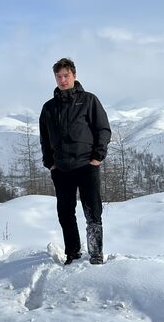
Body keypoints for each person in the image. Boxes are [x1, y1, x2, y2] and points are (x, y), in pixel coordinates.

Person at [39, 58, 111, 265]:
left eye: (66, 75)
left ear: (74, 75)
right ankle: (73, 253)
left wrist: (97, 157)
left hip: (87, 165)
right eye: (58, 76)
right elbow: (44, 138)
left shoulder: (89, 100)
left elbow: (103, 129)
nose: (62, 80)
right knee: (65, 213)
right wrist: (50, 163)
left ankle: (96, 254)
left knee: (93, 211)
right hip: (61, 169)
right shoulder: (49, 107)